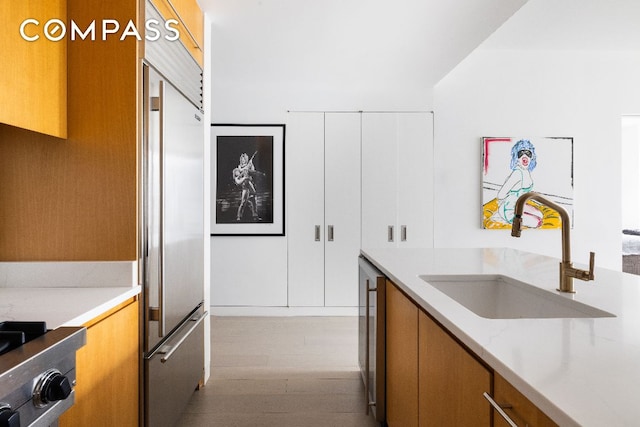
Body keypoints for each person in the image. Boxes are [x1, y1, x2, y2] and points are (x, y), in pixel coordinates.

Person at [493, 139, 542, 227]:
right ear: (516, 157)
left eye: (528, 153)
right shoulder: (517, 173)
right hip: (509, 210)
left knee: (540, 215)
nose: (524, 156)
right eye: (521, 153)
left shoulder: (526, 171)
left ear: (532, 157)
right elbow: (500, 195)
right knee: (537, 223)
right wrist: (511, 198)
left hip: (519, 206)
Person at [232, 152, 262, 221]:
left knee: (254, 199)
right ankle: (239, 216)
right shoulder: (239, 167)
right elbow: (240, 173)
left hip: (249, 183)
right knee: (243, 202)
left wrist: (251, 165)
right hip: (245, 184)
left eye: (244, 159)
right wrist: (246, 167)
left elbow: (253, 171)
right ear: (240, 160)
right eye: (242, 159)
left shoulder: (249, 165)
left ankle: (255, 215)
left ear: (246, 159)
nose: (243, 160)